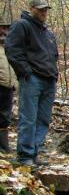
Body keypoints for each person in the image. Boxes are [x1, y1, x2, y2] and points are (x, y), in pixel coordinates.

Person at [5, 0, 58, 166]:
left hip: (49, 79)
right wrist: (26, 72)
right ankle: (25, 155)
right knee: (28, 117)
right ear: (32, 8)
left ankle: (35, 152)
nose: (44, 12)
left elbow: (53, 55)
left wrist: (55, 74)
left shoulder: (47, 32)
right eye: (41, 9)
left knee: (43, 119)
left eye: (46, 9)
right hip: (32, 78)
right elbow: (12, 49)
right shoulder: (22, 25)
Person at [0, 19, 17, 153]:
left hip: (8, 86)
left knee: (5, 117)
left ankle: (4, 147)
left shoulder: (9, 47)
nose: (3, 31)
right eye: (1, 28)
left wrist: (15, 84)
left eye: (6, 28)